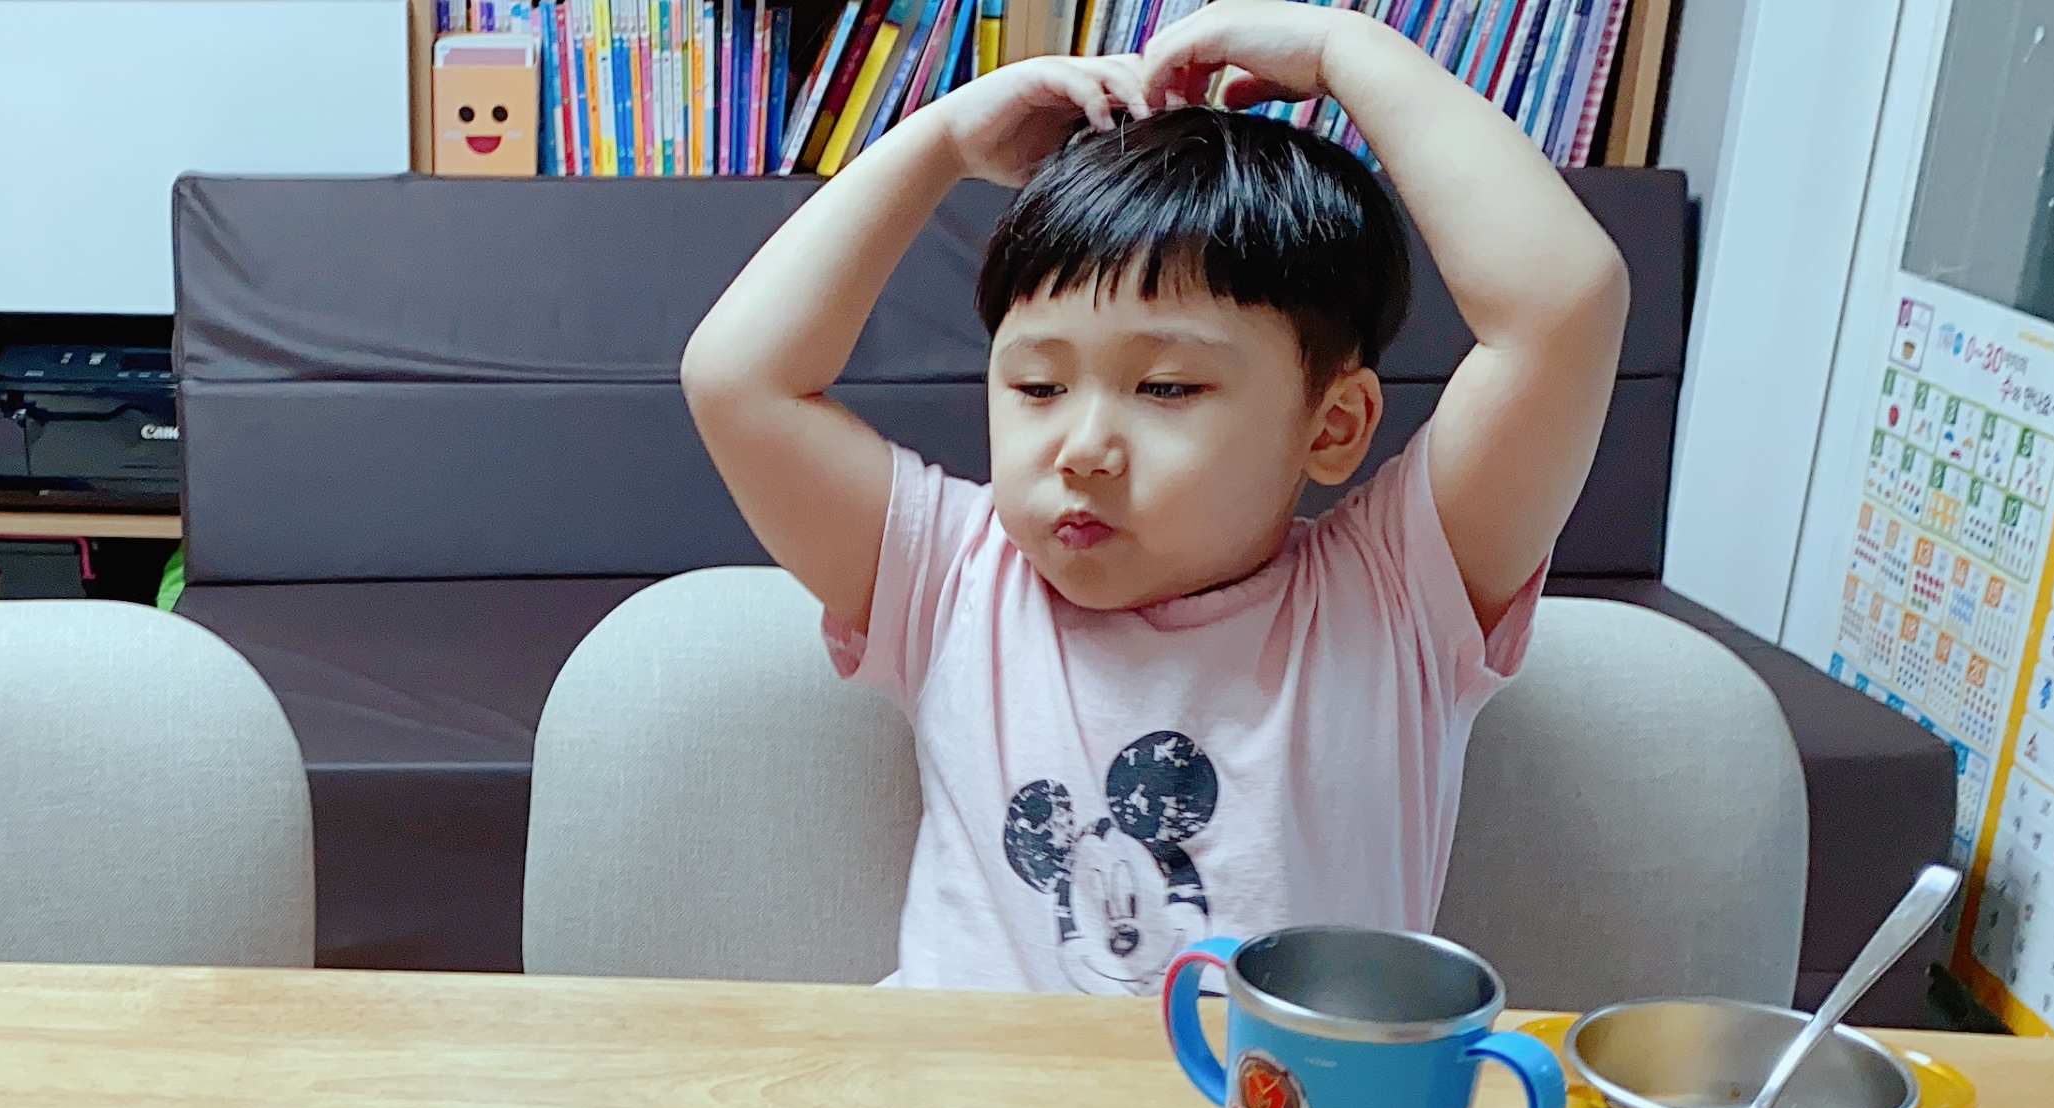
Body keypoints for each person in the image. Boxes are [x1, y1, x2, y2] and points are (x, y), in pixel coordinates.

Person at [680, 0, 1626, 993]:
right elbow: (738, 381)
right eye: (1037, 386)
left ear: (1331, 426)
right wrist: (941, 140)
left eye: (1167, 387)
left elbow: (1562, 306)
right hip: (962, 1090)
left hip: (1286, 1096)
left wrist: (1345, 50)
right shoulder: (951, 579)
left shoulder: (1394, 601)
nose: (1083, 448)